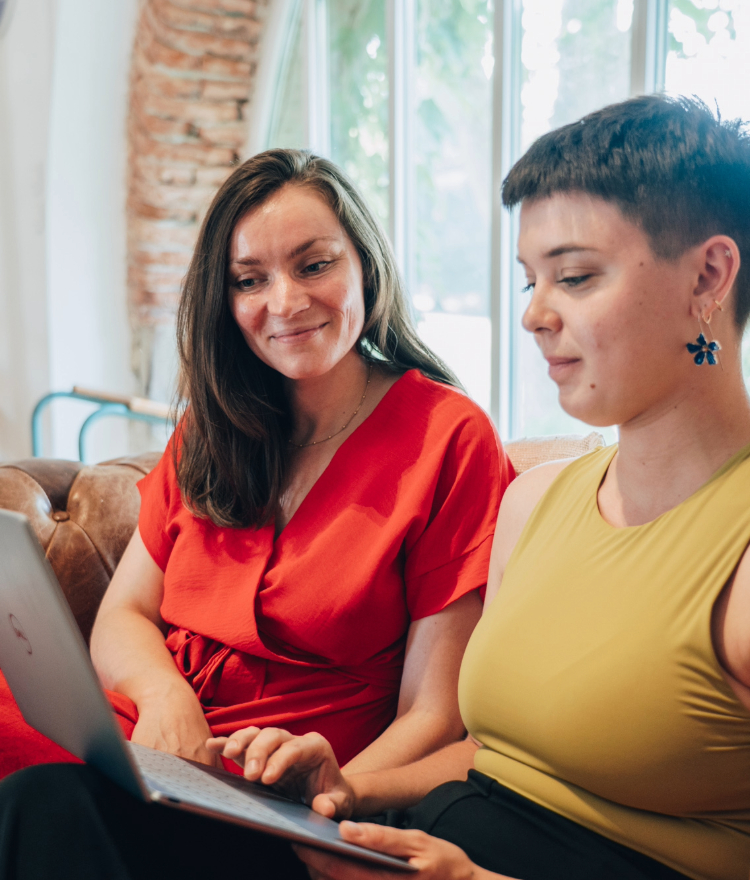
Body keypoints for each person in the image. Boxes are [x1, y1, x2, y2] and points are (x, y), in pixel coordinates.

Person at [2, 93, 748, 880]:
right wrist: (341, 795)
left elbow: (438, 719)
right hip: (364, 825)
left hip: (372, 835)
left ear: (709, 276)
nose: (532, 315)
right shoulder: (539, 503)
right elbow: (481, 751)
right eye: (529, 280)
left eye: (575, 277)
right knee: (38, 800)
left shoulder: (452, 443)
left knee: (44, 807)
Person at [0, 149, 512, 781]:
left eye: (314, 265)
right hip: (154, 742)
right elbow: (122, 615)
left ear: (366, 265)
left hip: (285, 784)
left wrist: (337, 798)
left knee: (43, 794)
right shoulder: (210, 427)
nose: (286, 301)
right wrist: (165, 697)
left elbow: (434, 714)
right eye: (249, 280)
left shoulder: (449, 437)